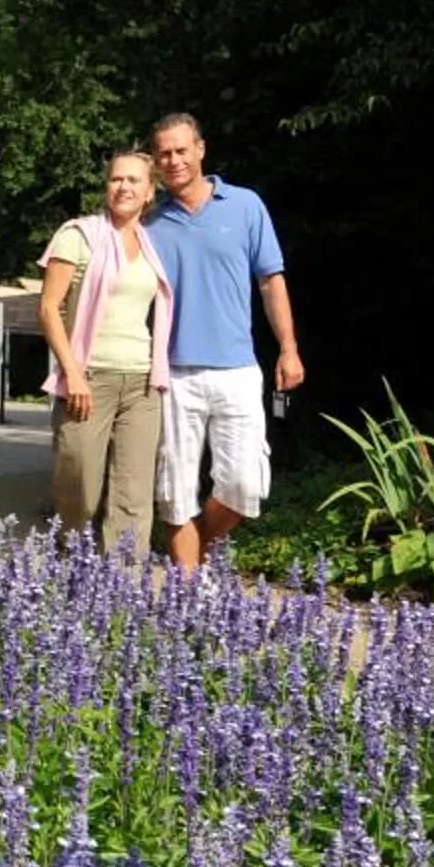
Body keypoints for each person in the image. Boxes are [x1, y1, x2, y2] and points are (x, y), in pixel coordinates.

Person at [142, 112, 302, 571]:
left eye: (181, 150)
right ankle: (189, 592)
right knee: (174, 492)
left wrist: (288, 348)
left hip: (237, 368)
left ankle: (193, 555)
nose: (173, 160)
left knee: (244, 486)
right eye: (164, 154)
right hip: (172, 373)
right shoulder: (148, 223)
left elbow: (270, 281)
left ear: (200, 149)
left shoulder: (246, 205)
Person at [37, 148, 174, 560]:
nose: (123, 187)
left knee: (133, 494)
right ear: (106, 186)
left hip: (142, 382)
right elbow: (49, 309)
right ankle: (70, 559)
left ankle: (123, 583)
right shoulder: (78, 235)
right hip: (89, 377)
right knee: (78, 482)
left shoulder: (153, 244)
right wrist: (73, 373)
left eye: (134, 180)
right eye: (116, 179)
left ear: (149, 192)